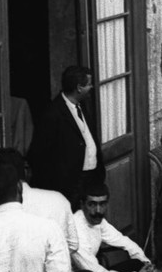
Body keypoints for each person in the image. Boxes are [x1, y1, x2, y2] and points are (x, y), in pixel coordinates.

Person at [27, 64, 105, 207]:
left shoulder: (82, 105)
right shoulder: (52, 114)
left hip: (89, 179)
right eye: (89, 84)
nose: (92, 87)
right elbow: (39, 154)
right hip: (69, 185)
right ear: (79, 88)